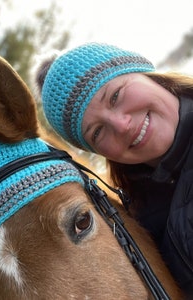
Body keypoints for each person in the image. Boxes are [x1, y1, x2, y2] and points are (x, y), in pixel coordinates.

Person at [34, 42, 193, 295]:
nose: (122, 125)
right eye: (97, 132)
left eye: (115, 96)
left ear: (143, 72)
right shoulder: (134, 222)